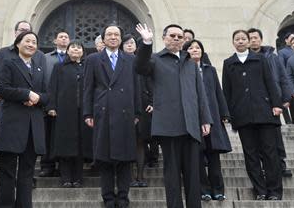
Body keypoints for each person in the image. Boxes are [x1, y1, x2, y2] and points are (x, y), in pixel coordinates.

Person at [135, 23, 212, 208]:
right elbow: (140, 66)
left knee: (193, 176)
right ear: (164, 38)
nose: (176, 39)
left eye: (180, 36)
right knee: (172, 176)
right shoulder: (155, 59)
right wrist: (146, 43)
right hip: (168, 127)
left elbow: (200, 93)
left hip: (191, 125)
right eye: (172, 36)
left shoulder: (190, 63)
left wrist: (205, 119)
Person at [83, 25, 140, 208]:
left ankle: (123, 197)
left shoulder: (130, 60)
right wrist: (88, 112)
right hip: (102, 112)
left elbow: (136, 87)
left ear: (121, 38)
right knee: (104, 159)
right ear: (103, 38)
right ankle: (108, 197)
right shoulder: (93, 59)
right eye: (109, 34)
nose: (113, 37)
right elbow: (88, 88)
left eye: (117, 34)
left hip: (125, 113)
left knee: (125, 159)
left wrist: (137, 111)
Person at [222, 30, 283, 200]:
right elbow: (226, 90)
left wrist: (276, 104)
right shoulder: (229, 63)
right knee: (251, 155)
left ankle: (275, 191)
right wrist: (226, 112)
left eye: (243, 39)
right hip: (242, 115)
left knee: (270, 153)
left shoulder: (260, 59)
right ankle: (260, 190)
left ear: (249, 42)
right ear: (233, 42)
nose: (240, 41)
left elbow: (270, 82)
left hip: (264, 112)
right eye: (237, 39)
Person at [0, 31, 48, 208]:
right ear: (18, 44)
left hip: (33, 128)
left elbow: (48, 94)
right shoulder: (8, 63)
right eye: (27, 41)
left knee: (27, 172)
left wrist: (38, 98)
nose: (31, 44)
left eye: (34, 42)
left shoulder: (40, 67)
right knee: (7, 171)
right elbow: (3, 89)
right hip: (12, 125)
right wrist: (26, 93)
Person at [183, 40, 232, 201]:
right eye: (191, 48)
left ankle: (218, 189)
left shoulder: (209, 70)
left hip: (212, 117)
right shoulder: (182, 70)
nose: (195, 50)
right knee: (197, 155)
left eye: (198, 48)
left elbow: (218, 91)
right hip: (192, 118)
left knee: (213, 155)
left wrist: (224, 113)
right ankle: (203, 190)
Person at [248, 28, 294, 177]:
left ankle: (281, 164)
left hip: (273, 101)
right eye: (251, 38)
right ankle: (264, 165)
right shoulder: (245, 58)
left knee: (276, 135)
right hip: (255, 102)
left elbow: (282, 76)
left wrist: (286, 97)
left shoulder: (272, 57)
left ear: (260, 39)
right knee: (259, 136)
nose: (253, 40)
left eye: (256, 37)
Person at [46, 40, 92, 188]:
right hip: (64, 111)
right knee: (65, 144)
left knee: (80, 146)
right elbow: (53, 88)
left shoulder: (88, 67)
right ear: (67, 50)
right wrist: (51, 106)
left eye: (79, 47)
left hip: (83, 112)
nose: (76, 49)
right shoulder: (59, 67)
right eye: (73, 47)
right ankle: (65, 178)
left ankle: (78, 178)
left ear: (83, 51)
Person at [0, 20, 46, 123]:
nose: (24, 32)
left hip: (33, 109)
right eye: (21, 30)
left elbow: (44, 81)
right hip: (9, 107)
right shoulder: (3, 53)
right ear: (15, 32)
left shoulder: (40, 56)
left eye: (27, 31)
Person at [120, 34, 153, 188]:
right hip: (124, 106)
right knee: (127, 142)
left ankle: (140, 176)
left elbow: (151, 82)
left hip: (144, 105)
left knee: (140, 141)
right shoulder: (118, 61)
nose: (129, 45)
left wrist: (153, 101)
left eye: (132, 43)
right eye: (126, 43)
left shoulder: (143, 61)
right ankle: (129, 177)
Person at [40, 30, 70, 177]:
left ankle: (63, 166)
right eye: (61, 37)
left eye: (66, 37)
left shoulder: (75, 58)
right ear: (55, 40)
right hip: (49, 102)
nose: (64, 39)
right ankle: (47, 165)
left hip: (68, 105)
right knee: (48, 135)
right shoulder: (45, 58)